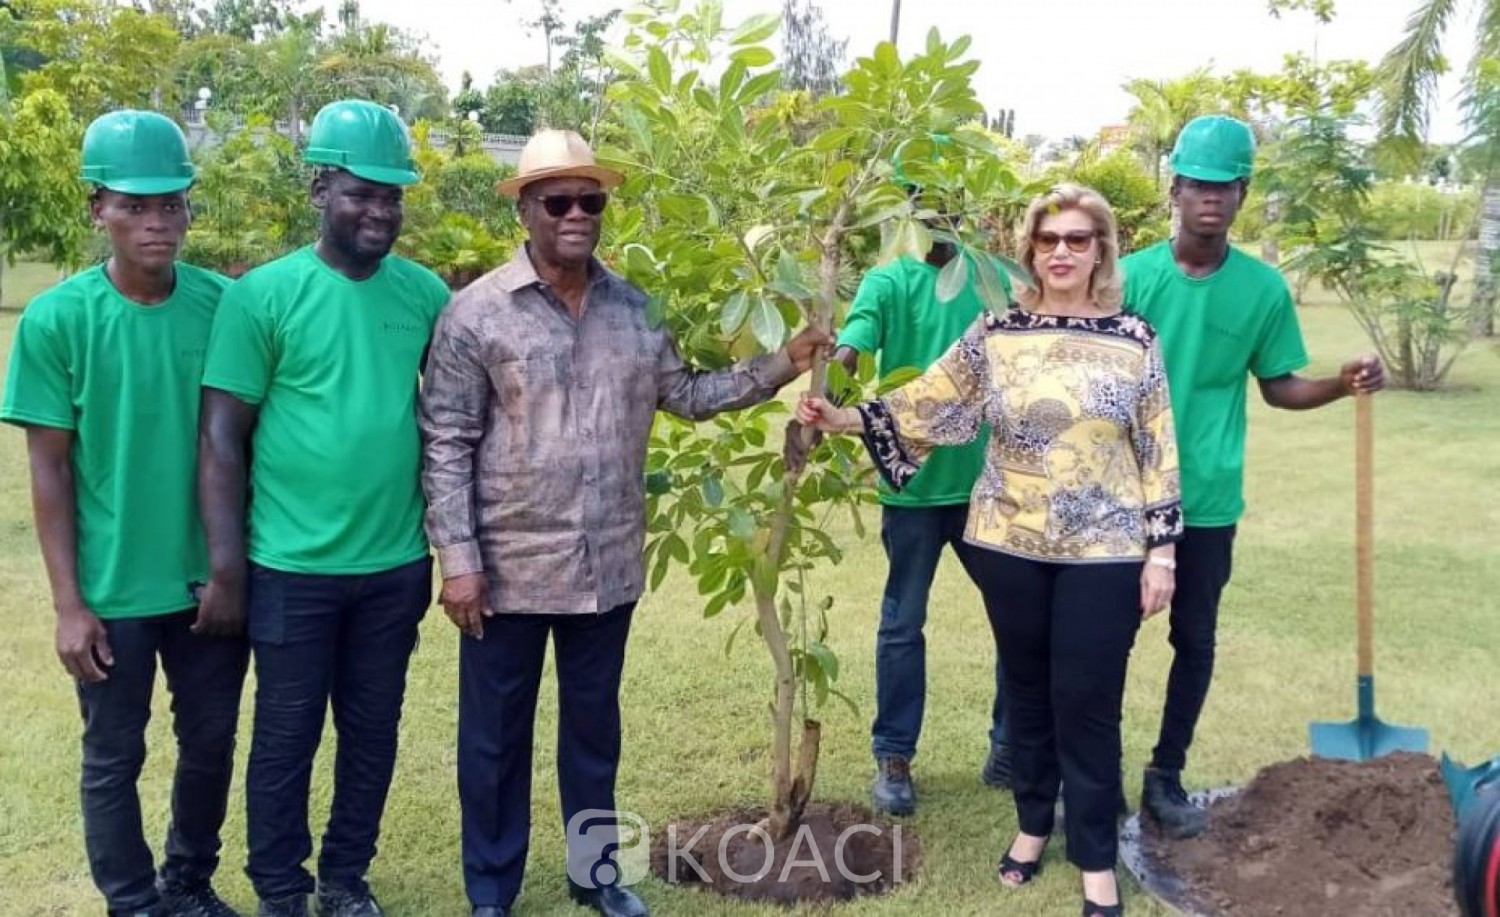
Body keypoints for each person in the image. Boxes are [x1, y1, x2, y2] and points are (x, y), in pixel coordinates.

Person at [418, 129, 831, 917]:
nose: (577, 213)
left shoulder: (636, 308)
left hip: (605, 564)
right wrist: (459, 558)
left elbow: (693, 395)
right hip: (505, 568)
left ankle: (596, 872)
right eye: (558, 200)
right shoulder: (476, 315)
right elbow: (445, 440)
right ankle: (491, 890)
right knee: (494, 740)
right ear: (527, 211)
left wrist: (784, 361)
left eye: (590, 199)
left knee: (593, 733)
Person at [799, 183, 1182, 917]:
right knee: (1030, 694)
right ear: (1030, 249)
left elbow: (1159, 447)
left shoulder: (1134, 338)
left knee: (1089, 702)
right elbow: (933, 399)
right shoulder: (997, 329)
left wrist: (1161, 552)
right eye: (1048, 239)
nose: (1062, 251)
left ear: (1100, 248)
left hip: (1105, 550)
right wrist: (842, 416)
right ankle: (1034, 826)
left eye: (1077, 238)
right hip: (1010, 542)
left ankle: (1097, 859)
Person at [197, 99, 451, 917]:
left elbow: (446, 416)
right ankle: (280, 888)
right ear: (320, 189)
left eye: (392, 195)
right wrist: (228, 568)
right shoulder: (263, 295)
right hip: (290, 567)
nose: (380, 209)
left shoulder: (424, 294)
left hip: (394, 565)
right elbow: (221, 437)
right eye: (360, 192)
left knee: (372, 734)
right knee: (286, 736)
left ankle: (345, 878)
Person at [2, 111, 248, 917]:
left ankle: (188, 879)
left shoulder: (224, 306)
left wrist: (228, 568)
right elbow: (48, 468)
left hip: (208, 583)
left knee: (209, 743)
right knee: (113, 753)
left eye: (171, 204)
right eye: (134, 206)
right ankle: (133, 900)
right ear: (95, 208)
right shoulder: (58, 320)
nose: (157, 223)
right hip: (112, 591)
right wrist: (69, 604)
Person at [1123, 115, 1386, 839]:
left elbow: (1279, 385)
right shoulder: (1130, 277)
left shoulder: (1263, 290)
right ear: (1174, 188)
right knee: (1103, 637)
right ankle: (1091, 776)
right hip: (1120, 493)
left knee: (1196, 640)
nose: (1211, 197)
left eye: (1226, 185)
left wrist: (1341, 383)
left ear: (1242, 194)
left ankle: (1164, 776)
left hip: (1207, 497)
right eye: (1199, 183)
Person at [820, 173, 1012, 816]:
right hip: (913, 489)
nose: (929, 207)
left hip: (989, 485)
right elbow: (857, 339)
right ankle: (894, 757)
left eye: (939, 194)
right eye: (915, 197)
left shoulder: (989, 280)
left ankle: (1010, 747)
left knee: (1018, 618)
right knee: (902, 623)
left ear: (958, 201)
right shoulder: (889, 279)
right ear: (901, 207)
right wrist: (833, 382)